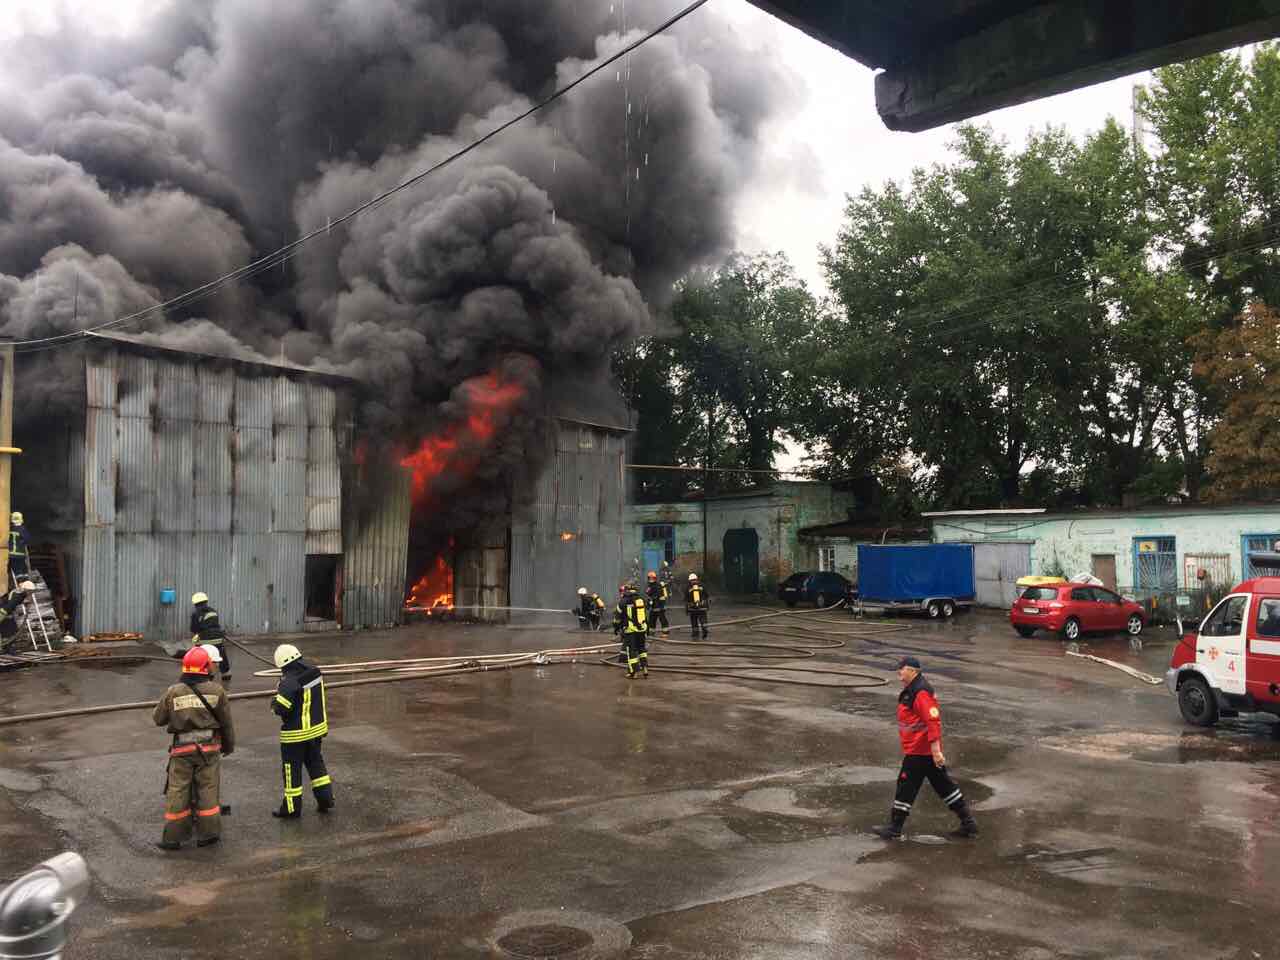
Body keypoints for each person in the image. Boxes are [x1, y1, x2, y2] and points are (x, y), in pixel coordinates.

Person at [871, 656, 977, 841]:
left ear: (913, 671)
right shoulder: (913, 689)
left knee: (906, 785)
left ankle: (895, 828)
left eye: (902, 668)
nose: (899, 671)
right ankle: (968, 823)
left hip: (921, 750)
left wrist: (936, 750)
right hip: (922, 749)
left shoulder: (920, 692)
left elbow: (933, 720)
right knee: (944, 786)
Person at [152, 646, 235, 850]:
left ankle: (173, 838)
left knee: (178, 791)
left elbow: (158, 719)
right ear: (206, 667)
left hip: (182, 751)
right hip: (209, 750)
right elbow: (226, 723)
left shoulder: (173, 691)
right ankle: (208, 835)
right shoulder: (217, 691)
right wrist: (229, 745)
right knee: (208, 788)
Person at [271, 644, 334, 818]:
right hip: (316, 731)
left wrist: (274, 702)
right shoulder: (315, 672)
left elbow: (281, 708)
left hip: (295, 735)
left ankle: (291, 809)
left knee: (292, 772)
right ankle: (326, 800)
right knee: (316, 765)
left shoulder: (288, 682)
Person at [190, 592, 231, 683]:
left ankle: (208, 675)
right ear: (206, 601)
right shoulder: (213, 611)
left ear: (195, 603)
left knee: (204, 657)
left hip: (205, 640)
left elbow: (194, 629)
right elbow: (215, 625)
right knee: (220, 654)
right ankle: (226, 673)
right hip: (218, 638)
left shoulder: (196, 614)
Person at [612, 583, 650, 679]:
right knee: (642, 649)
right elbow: (645, 615)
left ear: (627, 590)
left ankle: (633, 673)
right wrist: (647, 629)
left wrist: (616, 628)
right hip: (642, 629)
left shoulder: (623, 601)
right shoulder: (641, 599)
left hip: (630, 630)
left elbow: (617, 617)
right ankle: (645, 669)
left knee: (632, 651)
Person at [0, 580, 35, 653]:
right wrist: (4, 615)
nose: (31, 593)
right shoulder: (18, 595)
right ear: (26, 589)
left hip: (6, 610)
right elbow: (9, 606)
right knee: (10, 628)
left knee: (11, 629)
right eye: (30, 591)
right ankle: (7, 647)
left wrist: (25, 602)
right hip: (4, 611)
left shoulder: (21, 593)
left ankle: (7, 647)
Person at [645, 571, 671, 637]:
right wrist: (648, 606)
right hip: (654, 607)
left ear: (655, 578)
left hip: (659, 606)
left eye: (652, 578)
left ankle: (665, 633)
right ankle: (651, 633)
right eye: (650, 578)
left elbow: (657, 595)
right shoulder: (650, 586)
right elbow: (648, 596)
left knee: (662, 619)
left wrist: (652, 600)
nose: (651, 579)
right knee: (651, 620)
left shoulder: (657, 585)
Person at [685, 573, 709, 640]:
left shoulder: (688, 587)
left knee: (694, 622)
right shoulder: (702, 585)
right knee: (703, 621)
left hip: (693, 609)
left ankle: (695, 636)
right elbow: (706, 596)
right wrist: (706, 607)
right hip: (702, 608)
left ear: (689, 580)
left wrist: (687, 610)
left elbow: (686, 600)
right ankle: (704, 633)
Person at [8, 511, 30, 580]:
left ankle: (19, 578)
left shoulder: (9, 529)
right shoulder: (22, 529)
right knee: (21, 569)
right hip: (20, 553)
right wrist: (21, 544)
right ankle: (23, 579)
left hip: (11, 554)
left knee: (15, 569)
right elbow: (27, 539)